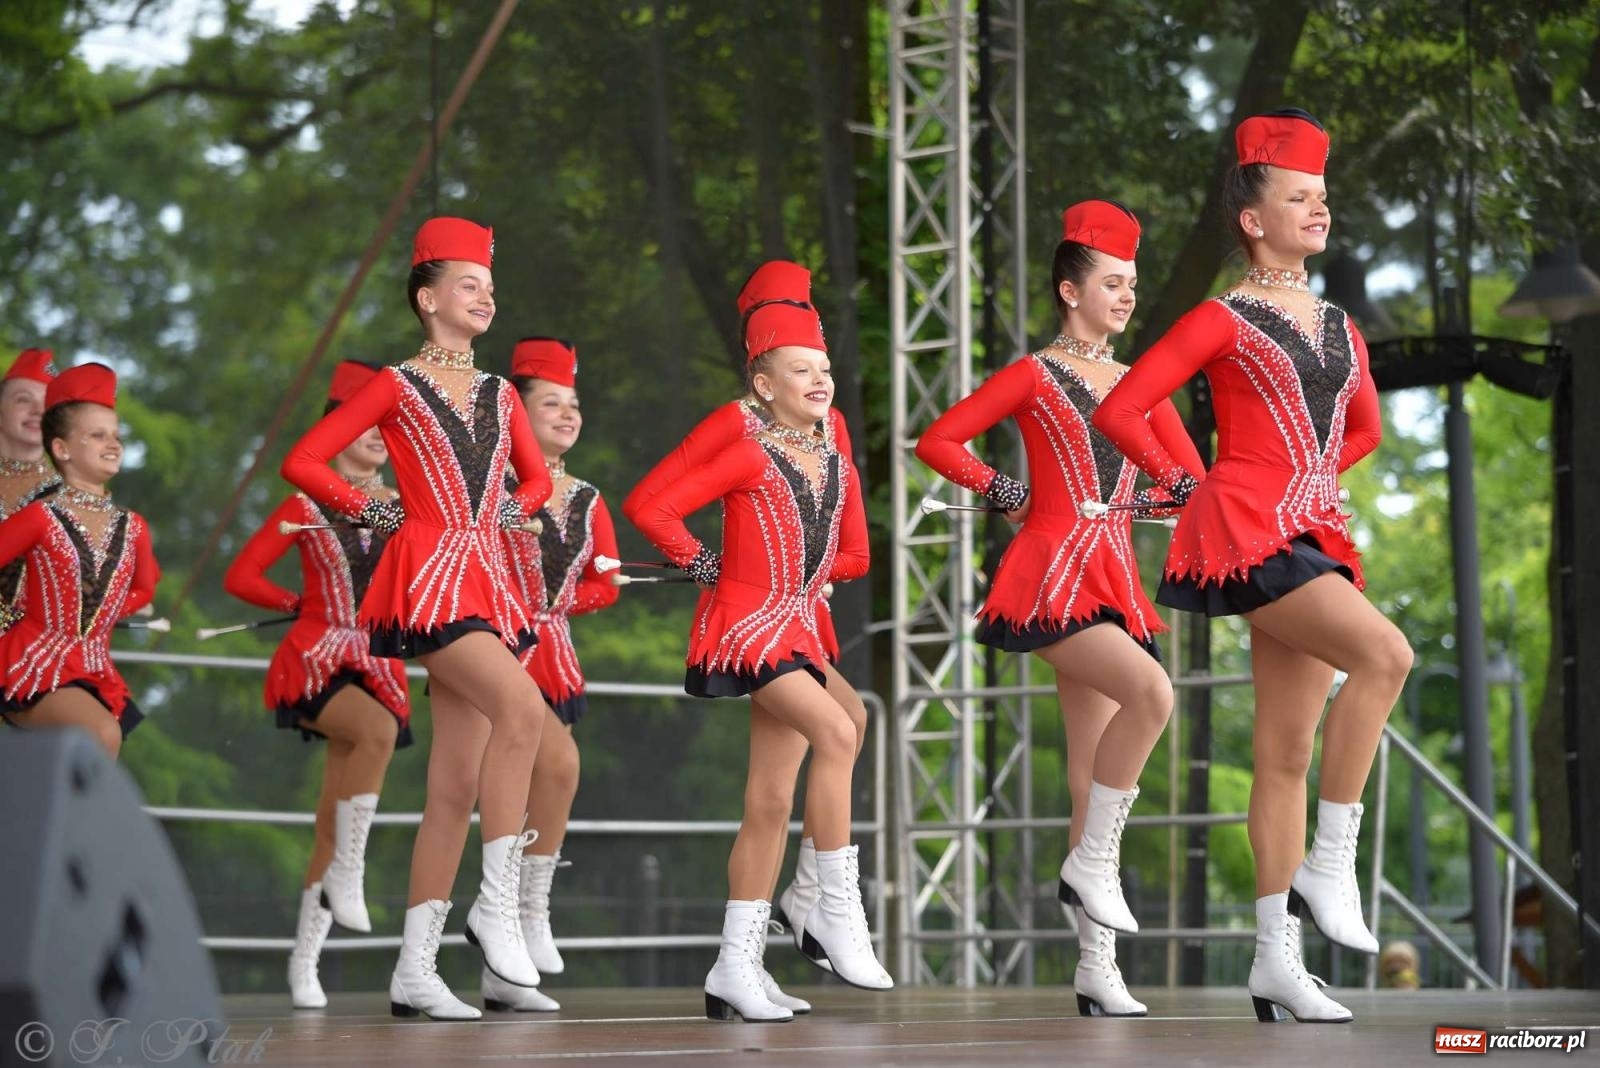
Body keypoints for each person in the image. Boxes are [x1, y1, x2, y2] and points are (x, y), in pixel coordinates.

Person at [1094, 109, 1412, 1023]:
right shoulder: (1221, 318)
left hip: (1307, 533)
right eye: (1299, 197)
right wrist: (1193, 484)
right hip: (1244, 528)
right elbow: (1127, 409)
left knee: (1283, 750)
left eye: (1323, 197)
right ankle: (1330, 863)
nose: (1318, 209)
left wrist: (1308, 484)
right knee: (1386, 657)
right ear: (1251, 216)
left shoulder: (1342, 324)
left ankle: (1276, 960)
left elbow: (1367, 431)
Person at [916, 200, 1203, 1016]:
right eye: (1112, 283)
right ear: (1068, 290)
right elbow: (938, 441)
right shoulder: (1036, 375)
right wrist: (1008, 492)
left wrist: (1166, 502)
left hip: (1112, 573)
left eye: (1132, 285)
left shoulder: (1140, 385)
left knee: (1090, 772)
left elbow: (1187, 481)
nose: (1126, 298)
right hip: (1050, 571)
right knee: (1152, 693)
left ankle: (1095, 966)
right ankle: (1091, 867)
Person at [280, 217, 554, 1021]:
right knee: (522, 707)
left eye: (491, 287)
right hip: (431, 578)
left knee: (453, 785)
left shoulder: (504, 394)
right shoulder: (396, 385)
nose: (486, 296)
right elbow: (303, 459)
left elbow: (534, 484)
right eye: (470, 284)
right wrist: (372, 510)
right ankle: (495, 906)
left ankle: (415, 970)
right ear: (428, 297)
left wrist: (512, 508)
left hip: (490, 578)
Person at [632, 261, 890, 1022]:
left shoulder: (831, 447)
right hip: (747, 626)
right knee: (837, 729)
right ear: (761, 379)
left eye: (824, 364)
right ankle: (831, 901)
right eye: (798, 363)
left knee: (774, 795)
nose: (818, 376)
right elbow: (654, 507)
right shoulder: (743, 440)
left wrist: (811, 571)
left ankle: (737, 963)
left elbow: (854, 554)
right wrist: (710, 566)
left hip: (799, 623)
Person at [223, 359, 413, 1009]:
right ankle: (349, 875)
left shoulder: (404, 508)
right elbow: (242, 576)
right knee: (378, 731)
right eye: (363, 425)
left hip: (378, 662)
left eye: (387, 427)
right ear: (335, 427)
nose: (376, 436)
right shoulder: (306, 502)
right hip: (313, 659)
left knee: (330, 822)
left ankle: (305, 963)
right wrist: (297, 600)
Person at [488, 336, 620, 1013]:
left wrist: (566, 599)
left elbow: (607, 582)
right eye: (551, 404)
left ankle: (509, 949)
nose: (568, 415)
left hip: (553, 650)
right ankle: (521, 917)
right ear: (518, 410)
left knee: (544, 778)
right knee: (552, 768)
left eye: (574, 405)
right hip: (494, 646)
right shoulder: (492, 484)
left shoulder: (589, 497)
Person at [0, 363, 159, 757]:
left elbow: (145, 587)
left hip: (93, 671)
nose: (113, 444)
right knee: (102, 734)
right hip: (32, 665)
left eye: (117, 436)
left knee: (81, 757)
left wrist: (103, 611)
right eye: (97, 435)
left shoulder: (133, 525)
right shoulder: (40, 515)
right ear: (62, 449)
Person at [0, 349, 62, 621]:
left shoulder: (70, 495)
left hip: (28, 653)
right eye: (24, 400)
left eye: (47, 404)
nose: (38, 411)